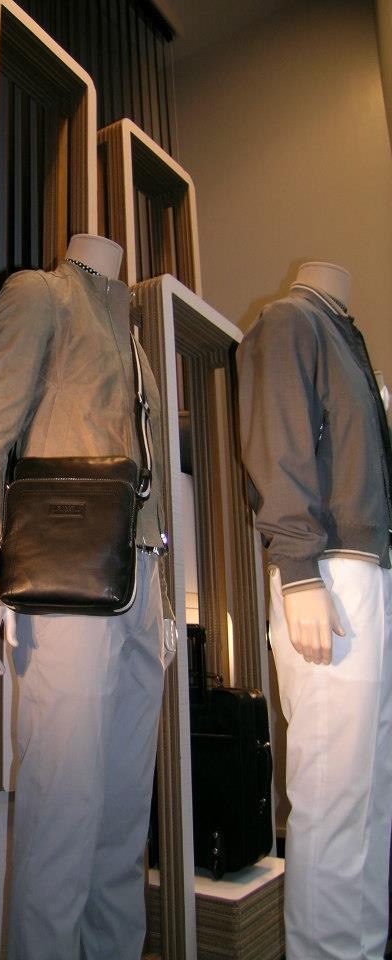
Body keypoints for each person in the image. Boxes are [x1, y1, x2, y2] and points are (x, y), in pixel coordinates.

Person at [0, 234, 175, 960]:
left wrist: (163, 596)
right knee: (62, 816)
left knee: (123, 824)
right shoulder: (39, 295)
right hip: (68, 582)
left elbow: (144, 479)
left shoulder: (134, 338)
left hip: (137, 582)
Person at [235, 261, 392, 960]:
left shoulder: (348, 338)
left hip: (371, 575)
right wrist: (297, 570)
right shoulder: (291, 321)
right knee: (332, 799)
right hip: (329, 576)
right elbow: (279, 444)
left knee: (370, 797)